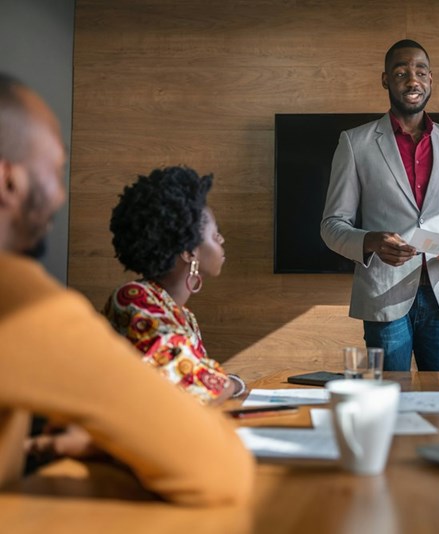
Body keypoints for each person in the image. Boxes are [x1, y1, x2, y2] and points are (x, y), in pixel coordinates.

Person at [0, 73, 253, 505]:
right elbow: (221, 469)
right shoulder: (22, 306)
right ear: (9, 182)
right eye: (55, 169)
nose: (60, 195)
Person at [321, 39, 439, 372]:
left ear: (431, 79)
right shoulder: (354, 143)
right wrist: (371, 242)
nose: (413, 80)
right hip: (384, 298)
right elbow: (332, 224)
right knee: (390, 404)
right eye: (401, 72)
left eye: (420, 71)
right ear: (385, 80)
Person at [103, 166, 246, 405]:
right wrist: (234, 383)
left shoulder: (185, 316)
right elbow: (197, 386)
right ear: (189, 252)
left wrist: (224, 382)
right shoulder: (133, 298)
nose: (222, 240)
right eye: (214, 235)